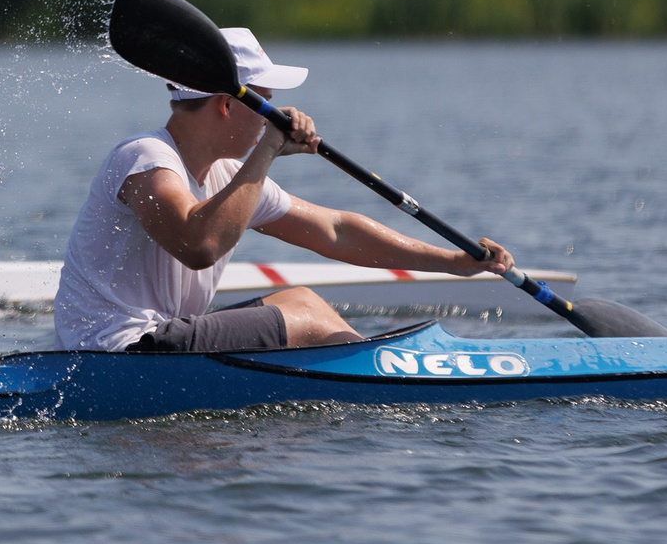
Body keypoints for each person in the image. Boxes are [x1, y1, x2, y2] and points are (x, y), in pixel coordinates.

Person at [53, 28, 514, 353]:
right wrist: (269, 149)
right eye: (266, 102)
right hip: (111, 354)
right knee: (306, 309)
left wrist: (455, 263)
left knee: (297, 301)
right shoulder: (145, 158)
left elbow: (336, 230)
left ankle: (375, 373)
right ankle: (382, 381)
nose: (274, 115)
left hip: (154, 344)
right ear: (227, 106)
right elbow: (201, 244)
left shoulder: (228, 176)